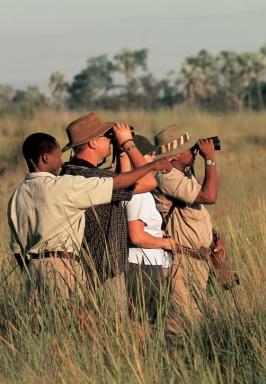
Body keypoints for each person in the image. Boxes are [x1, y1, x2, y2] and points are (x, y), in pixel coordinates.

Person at [7, 132, 172, 303]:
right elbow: (119, 184)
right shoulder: (63, 186)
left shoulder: (18, 194)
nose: (61, 162)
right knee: (70, 324)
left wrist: (32, 270)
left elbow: (17, 248)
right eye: (58, 157)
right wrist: (152, 165)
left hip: (31, 269)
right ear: (45, 158)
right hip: (62, 266)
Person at [61, 113, 171, 313]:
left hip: (79, 267)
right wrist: (128, 144)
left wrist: (121, 153)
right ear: (93, 142)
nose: (110, 140)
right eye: (106, 136)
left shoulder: (69, 173)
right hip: (104, 269)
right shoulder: (93, 177)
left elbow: (122, 179)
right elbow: (148, 182)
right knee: (109, 332)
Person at [153, 125, 225, 334]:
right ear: (174, 156)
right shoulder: (167, 177)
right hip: (183, 262)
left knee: (205, 322)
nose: (194, 150)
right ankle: (173, 363)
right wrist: (209, 159)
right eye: (188, 148)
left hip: (199, 260)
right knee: (182, 326)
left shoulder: (182, 174)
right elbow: (209, 196)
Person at [122, 135, 175, 325]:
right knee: (142, 323)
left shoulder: (139, 189)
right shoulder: (138, 193)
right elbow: (136, 236)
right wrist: (165, 243)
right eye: (149, 155)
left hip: (149, 263)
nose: (153, 159)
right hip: (143, 265)